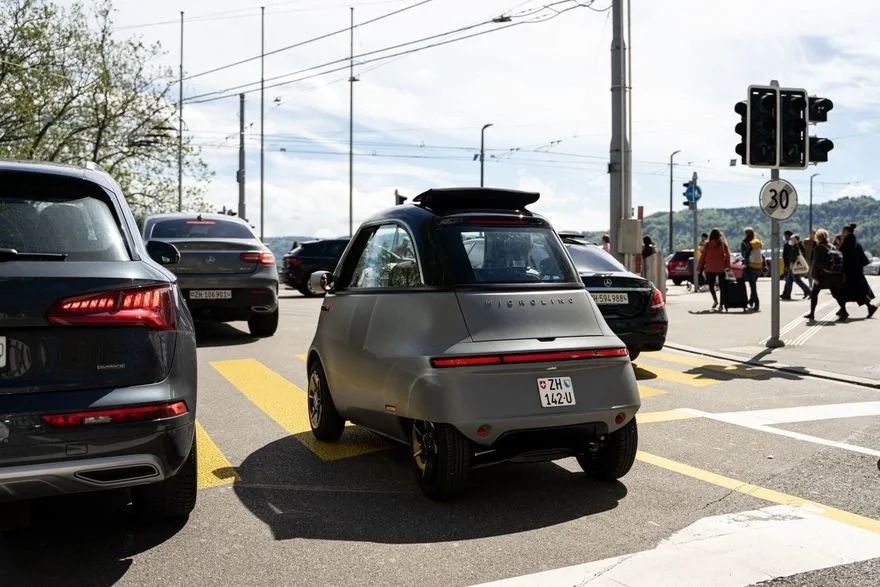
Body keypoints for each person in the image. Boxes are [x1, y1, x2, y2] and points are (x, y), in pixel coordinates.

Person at [835, 223, 877, 320]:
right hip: (857, 273)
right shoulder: (856, 243)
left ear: (847, 232)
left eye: (843, 231)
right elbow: (863, 259)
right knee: (859, 293)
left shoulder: (847, 242)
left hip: (848, 274)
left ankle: (843, 311)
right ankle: (869, 307)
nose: (842, 233)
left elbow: (842, 255)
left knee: (841, 292)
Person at [805, 228, 843, 321]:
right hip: (833, 274)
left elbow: (816, 263)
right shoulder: (832, 246)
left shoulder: (819, 248)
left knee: (814, 293)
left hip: (822, 275)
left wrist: (814, 276)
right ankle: (844, 310)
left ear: (817, 237)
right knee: (836, 293)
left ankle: (812, 313)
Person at [697, 228, 731, 310]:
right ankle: (721, 304)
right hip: (721, 268)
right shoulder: (722, 244)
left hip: (710, 268)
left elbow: (703, 257)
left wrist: (699, 268)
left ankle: (715, 300)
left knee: (711, 285)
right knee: (722, 287)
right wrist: (728, 266)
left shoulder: (707, 244)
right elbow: (728, 255)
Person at [781, 230, 810, 300]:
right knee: (789, 280)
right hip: (792, 265)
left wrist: (790, 263)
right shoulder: (794, 246)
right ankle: (786, 294)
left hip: (793, 265)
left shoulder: (795, 247)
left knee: (797, 280)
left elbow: (794, 256)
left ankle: (809, 292)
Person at [740, 227, 763, 311]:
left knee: (752, 286)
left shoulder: (744, 243)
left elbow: (744, 254)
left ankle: (756, 303)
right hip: (759, 266)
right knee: (753, 285)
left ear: (746, 234)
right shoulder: (757, 242)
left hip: (751, 266)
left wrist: (745, 264)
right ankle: (751, 300)